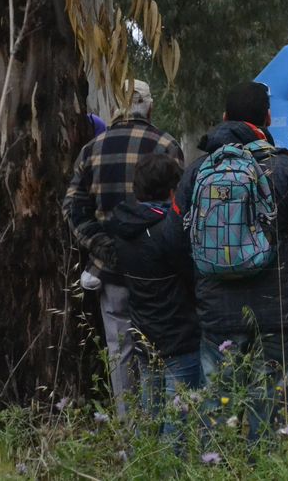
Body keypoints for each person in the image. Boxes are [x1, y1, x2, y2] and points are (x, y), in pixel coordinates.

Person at [173, 82, 288, 443]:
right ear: (267, 118)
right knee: (272, 406)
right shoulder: (286, 168)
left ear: (223, 118)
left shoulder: (197, 172)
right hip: (277, 311)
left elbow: (177, 234)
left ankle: (215, 467)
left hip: (217, 310)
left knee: (216, 405)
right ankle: (264, 465)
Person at [63, 79, 184, 418]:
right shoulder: (166, 144)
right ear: (149, 106)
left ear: (115, 108)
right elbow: (179, 208)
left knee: (121, 349)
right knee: (164, 345)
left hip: (111, 273)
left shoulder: (92, 149)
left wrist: (103, 248)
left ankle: (131, 429)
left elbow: (72, 207)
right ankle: (166, 422)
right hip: (159, 271)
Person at [104, 153, 201, 434]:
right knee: (178, 424)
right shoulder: (168, 231)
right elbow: (192, 276)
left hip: (145, 336)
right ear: (173, 191)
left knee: (150, 416)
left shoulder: (121, 227)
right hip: (180, 338)